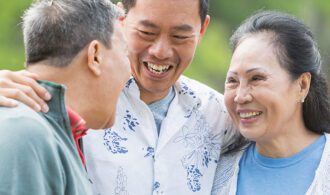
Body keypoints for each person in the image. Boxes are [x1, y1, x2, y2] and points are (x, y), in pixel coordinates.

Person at [0, 0, 240, 194]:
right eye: (147, 32)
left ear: (201, 30)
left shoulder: (223, 114)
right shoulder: (64, 105)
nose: (160, 51)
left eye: (179, 36)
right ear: (121, 19)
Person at [0, 0, 131, 194]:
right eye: (125, 53)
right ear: (95, 56)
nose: (129, 72)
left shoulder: (51, 134)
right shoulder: (24, 131)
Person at [211, 10, 330, 195]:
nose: (240, 96)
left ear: (302, 85)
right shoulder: (212, 174)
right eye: (233, 81)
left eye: (256, 78)